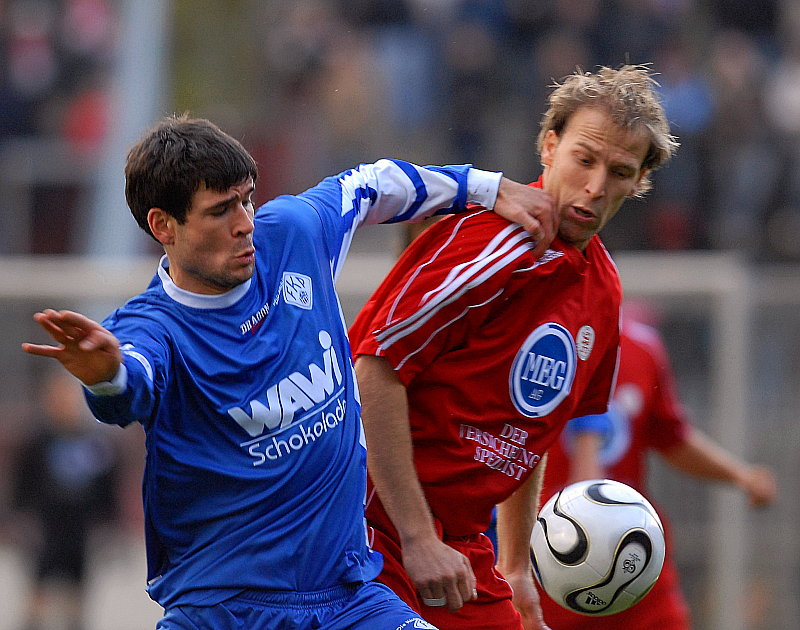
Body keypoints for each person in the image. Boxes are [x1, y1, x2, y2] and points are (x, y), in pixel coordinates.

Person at [20, 114, 558, 630]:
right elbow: (129, 387)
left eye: (247, 199)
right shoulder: (151, 327)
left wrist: (489, 189)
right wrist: (105, 374)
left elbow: (373, 183)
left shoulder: (292, 236)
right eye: (220, 211)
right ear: (164, 226)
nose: (245, 224)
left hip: (347, 594)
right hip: (225, 611)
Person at [347, 64, 678, 630]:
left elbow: (529, 430)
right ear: (549, 146)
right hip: (362, 527)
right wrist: (417, 536)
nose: (596, 186)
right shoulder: (491, 245)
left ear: (639, 181)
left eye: (619, 171)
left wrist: (517, 565)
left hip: (460, 544)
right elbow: (374, 369)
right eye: (584, 159)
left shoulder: (602, 289)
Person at [536, 305, 778, 629]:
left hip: (633, 553)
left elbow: (672, 438)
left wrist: (741, 476)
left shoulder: (641, 349)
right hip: (549, 555)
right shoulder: (528, 342)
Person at [11, 369, 120, 630]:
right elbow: (22, 483)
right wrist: (19, 518)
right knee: (40, 584)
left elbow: (106, 483)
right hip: (46, 524)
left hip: (80, 525)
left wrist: (109, 523)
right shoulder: (37, 440)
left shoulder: (94, 441)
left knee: (76, 587)